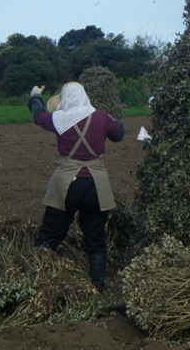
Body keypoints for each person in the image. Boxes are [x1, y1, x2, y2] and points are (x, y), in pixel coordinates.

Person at [28, 81, 125, 291]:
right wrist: (112, 120)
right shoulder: (101, 117)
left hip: (66, 185)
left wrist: (35, 96)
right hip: (96, 186)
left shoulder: (58, 119)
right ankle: (98, 286)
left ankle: (38, 279)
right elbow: (119, 135)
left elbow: (37, 115)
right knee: (96, 237)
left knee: (50, 234)